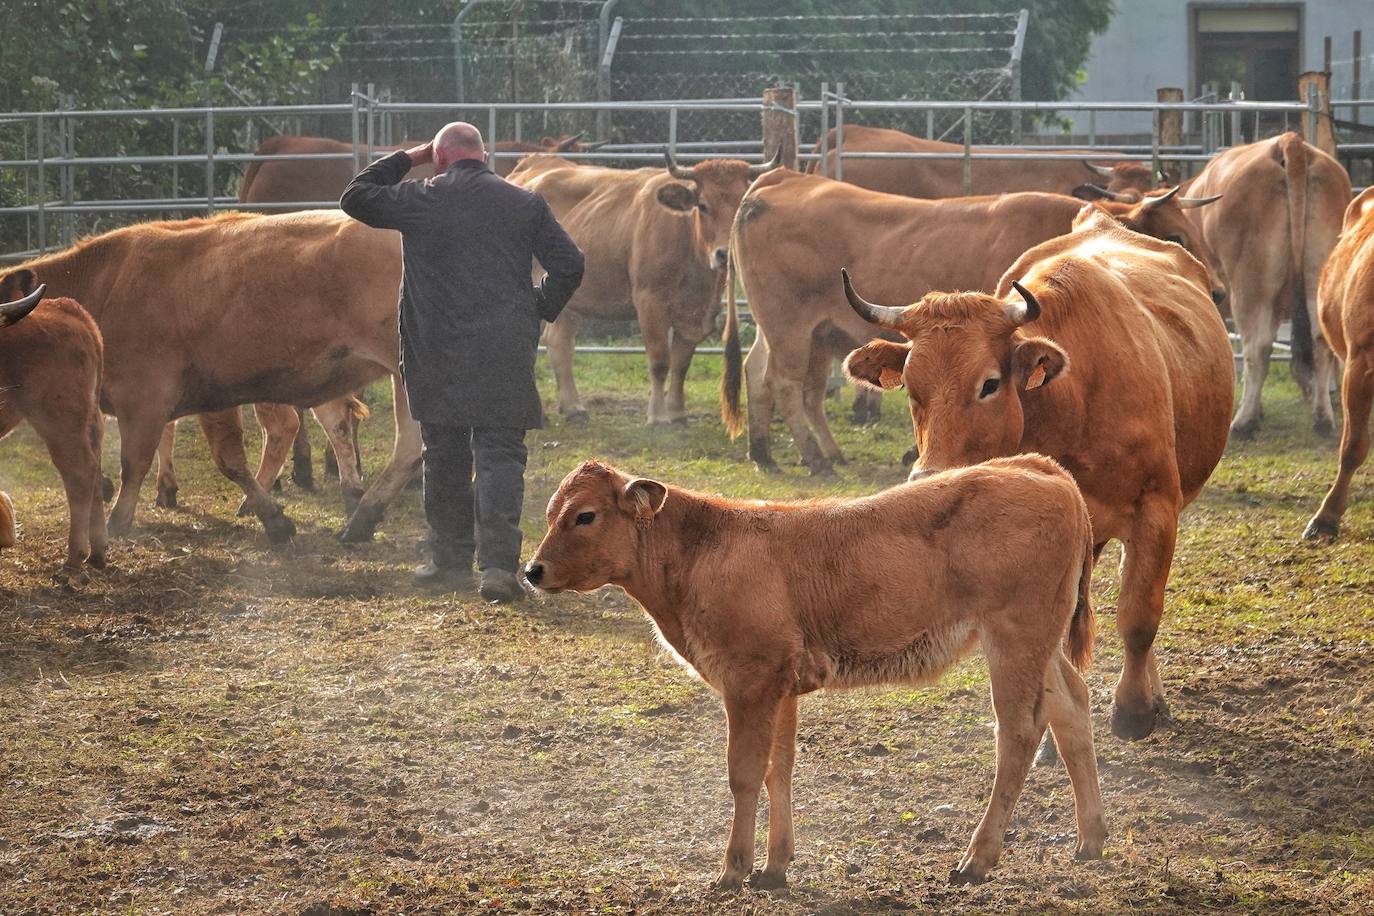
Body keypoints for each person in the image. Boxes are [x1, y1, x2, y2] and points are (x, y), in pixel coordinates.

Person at [340, 122, 584, 601]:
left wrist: (409, 158)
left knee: (444, 454)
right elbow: (570, 264)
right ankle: (497, 569)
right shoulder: (524, 202)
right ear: (485, 155)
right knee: (499, 457)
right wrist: (538, 307)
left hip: (435, 348)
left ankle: (449, 559)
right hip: (503, 350)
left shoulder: (422, 197)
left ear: (441, 157)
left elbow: (355, 196)